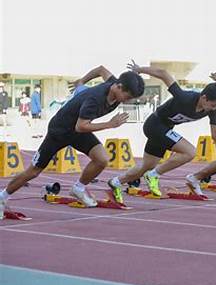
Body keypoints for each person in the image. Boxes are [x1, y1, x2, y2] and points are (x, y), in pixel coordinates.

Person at [0, 65, 144, 219]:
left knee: (102, 159)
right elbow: (81, 126)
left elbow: (101, 69)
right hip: (59, 131)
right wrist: (110, 124)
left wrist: (81, 82)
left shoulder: (114, 83)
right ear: (119, 87)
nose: (127, 101)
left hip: (76, 131)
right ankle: (2, 197)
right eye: (127, 97)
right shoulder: (95, 99)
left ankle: (78, 188)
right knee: (34, 171)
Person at [107, 61, 216, 202]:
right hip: (154, 124)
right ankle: (154, 175)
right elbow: (164, 74)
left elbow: (215, 136)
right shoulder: (185, 98)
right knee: (190, 152)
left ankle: (116, 182)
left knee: (147, 165)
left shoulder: (212, 111)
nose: (213, 109)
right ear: (204, 97)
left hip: (165, 129)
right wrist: (139, 69)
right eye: (212, 105)